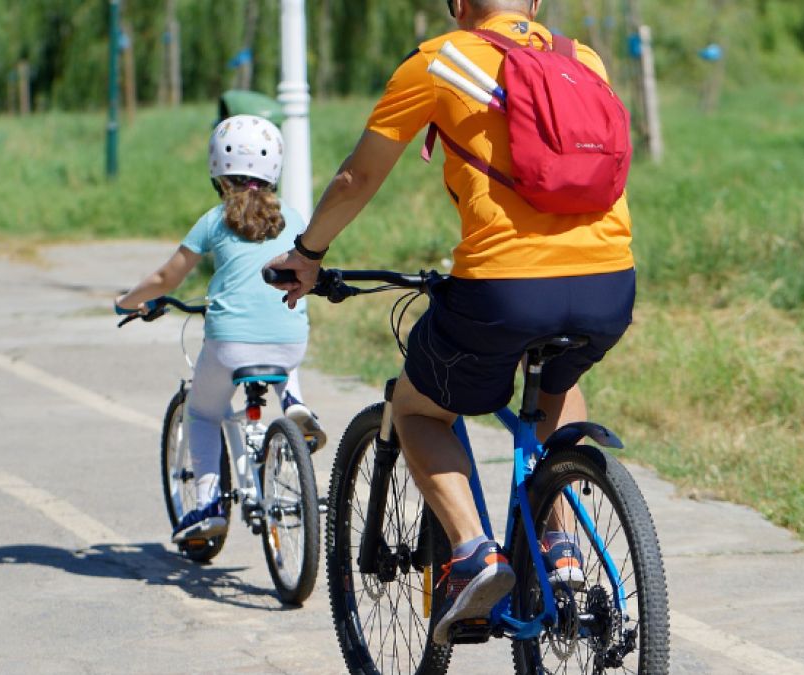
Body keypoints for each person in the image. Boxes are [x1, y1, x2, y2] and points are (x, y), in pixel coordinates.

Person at [267, 0, 635, 644]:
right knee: (557, 377)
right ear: (537, 4)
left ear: (460, 5)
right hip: (611, 284)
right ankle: (565, 552)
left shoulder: (440, 59)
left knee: (419, 409)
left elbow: (357, 176)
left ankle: (473, 554)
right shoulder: (582, 59)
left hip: (505, 289)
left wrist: (309, 254)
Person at [117, 114, 326, 545]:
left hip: (230, 343)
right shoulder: (295, 216)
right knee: (281, 341)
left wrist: (127, 301)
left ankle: (209, 503)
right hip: (290, 340)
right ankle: (294, 404)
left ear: (217, 169)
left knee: (203, 412)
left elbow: (166, 280)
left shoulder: (214, 220)